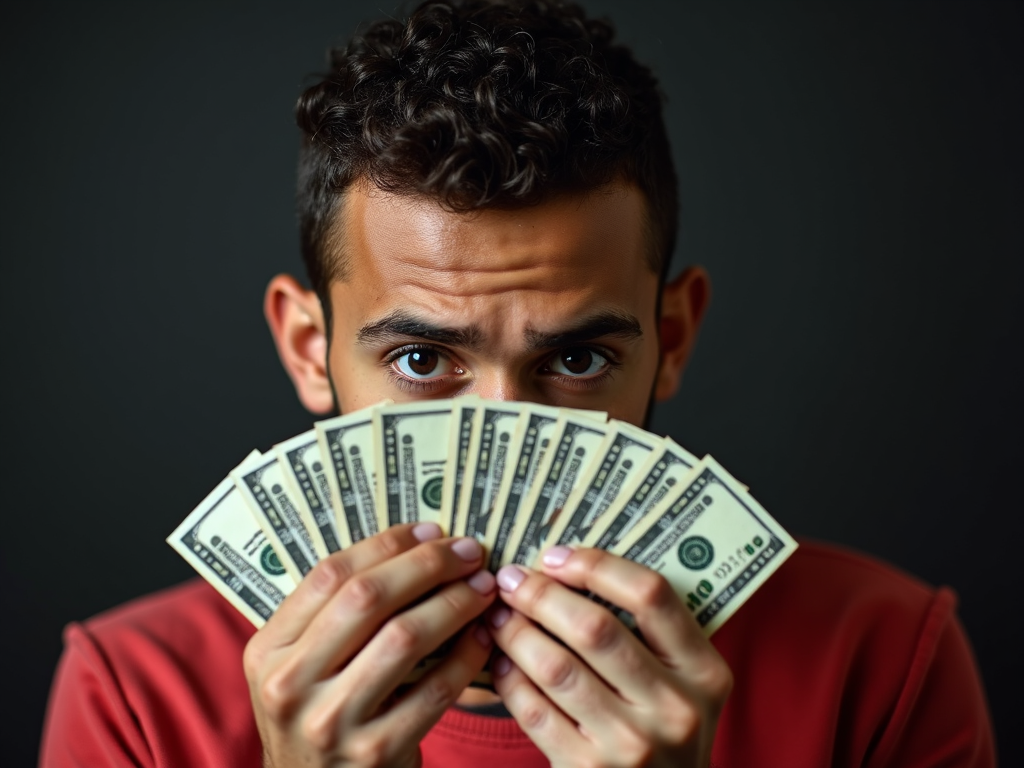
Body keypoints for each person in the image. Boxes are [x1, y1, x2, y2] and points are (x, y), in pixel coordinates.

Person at [39, 1, 996, 766]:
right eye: (422, 361)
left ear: (670, 337)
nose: (502, 434)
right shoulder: (135, 696)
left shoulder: (885, 659)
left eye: (577, 360)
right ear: (306, 346)